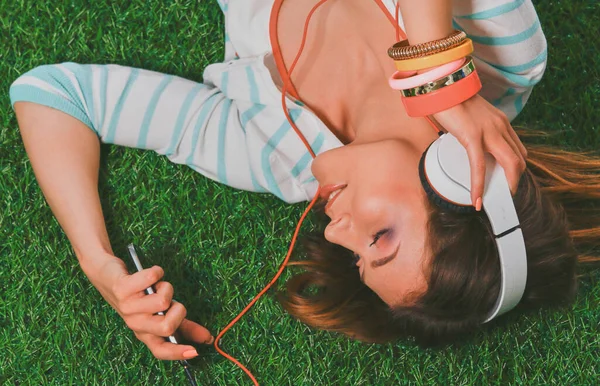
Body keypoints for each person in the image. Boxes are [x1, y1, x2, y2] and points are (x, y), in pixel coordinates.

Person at [8, 0, 600, 363]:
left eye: (358, 258)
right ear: (458, 179)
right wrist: (439, 74)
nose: (338, 233)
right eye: (381, 240)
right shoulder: (501, 56)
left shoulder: (279, 160)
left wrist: (97, 261)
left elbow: (55, 95)